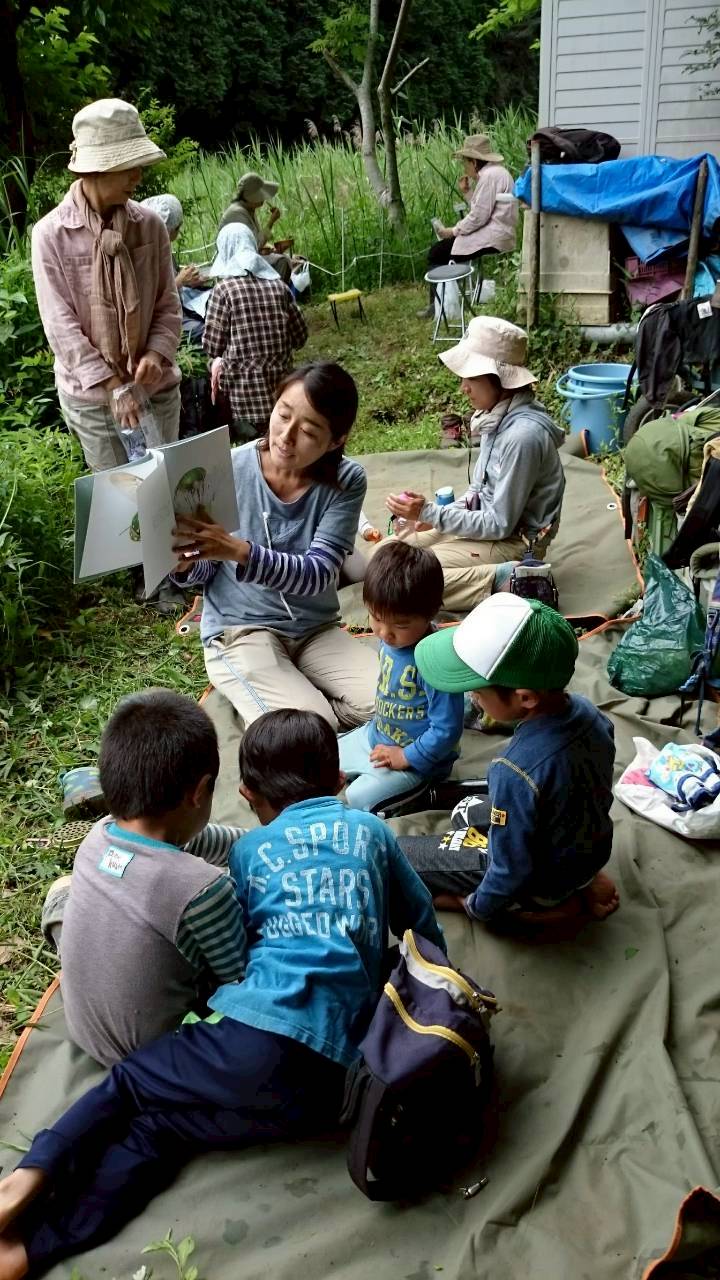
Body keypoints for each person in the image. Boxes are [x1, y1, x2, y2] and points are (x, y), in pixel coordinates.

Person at [0, 710, 444, 1277]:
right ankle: (27, 1250)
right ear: (340, 782)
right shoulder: (376, 832)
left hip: (254, 1043)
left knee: (131, 1086)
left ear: (244, 794)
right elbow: (421, 921)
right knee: (164, 1128)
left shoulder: (237, 856)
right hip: (331, 1088)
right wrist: (437, 985)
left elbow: (238, 969)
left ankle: (23, 1187)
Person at [43, 690, 246, 1067]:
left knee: (65, 893)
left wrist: (251, 844)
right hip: (158, 1059)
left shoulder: (98, 836)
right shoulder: (204, 890)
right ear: (200, 792)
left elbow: (196, 839)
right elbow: (241, 979)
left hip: (87, 1028)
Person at [171, 361, 378, 731]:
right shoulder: (226, 469)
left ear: (336, 440)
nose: (286, 435)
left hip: (314, 629)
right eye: (283, 414)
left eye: (309, 431)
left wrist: (238, 550)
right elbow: (207, 570)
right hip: (240, 631)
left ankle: (300, 719)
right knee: (310, 727)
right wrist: (185, 565)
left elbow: (318, 575)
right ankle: (302, 719)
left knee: (395, 703)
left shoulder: (346, 481)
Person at [401, 594, 620, 925]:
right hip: (585, 852)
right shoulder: (591, 715)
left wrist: (476, 906)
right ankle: (582, 881)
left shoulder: (514, 771)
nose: (470, 696)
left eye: (476, 689)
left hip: (538, 877)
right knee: (465, 810)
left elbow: (509, 867)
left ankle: (542, 907)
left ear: (526, 698)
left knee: (402, 855)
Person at [31, 99, 182, 473]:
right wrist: (114, 384)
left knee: (172, 491)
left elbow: (168, 303)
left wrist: (155, 354)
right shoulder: (51, 235)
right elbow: (60, 327)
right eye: (129, 167)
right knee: (124, 506)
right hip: (93, 399)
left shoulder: (149, 225)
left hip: (156, 387)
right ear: (98, 167)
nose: (138, 177)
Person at [384, 316, 565, 613]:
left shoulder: (522, 437)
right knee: (387, 554)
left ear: (500, 380)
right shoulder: (496, 416)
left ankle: (510, 580)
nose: (463, 388)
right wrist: (434, 515)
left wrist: (431, 513)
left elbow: (499, 523)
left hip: (513, 542)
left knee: (401, 578)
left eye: (471, 377)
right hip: (488, 527)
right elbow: (478, 493)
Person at [340, 542, 465, 812]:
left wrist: (407, 756)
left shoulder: (436, 661)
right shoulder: (391, 642)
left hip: (416, 760)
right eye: (376, 618)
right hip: (376, 736)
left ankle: (420, 792)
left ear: (430, 613)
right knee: (320, 760)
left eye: (401, 625)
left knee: (358, 798)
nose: (385, 633)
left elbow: (447, 730)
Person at [202, 224, 308, 441]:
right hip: (281, 396)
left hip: (242, 402)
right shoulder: (280, 288)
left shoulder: (223, 291)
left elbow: (212, 346)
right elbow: (300, 337)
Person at [418, 133, 517, 318]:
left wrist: (453, 231)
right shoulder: (498, 172)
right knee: (445, 248)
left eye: (465, 162)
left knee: (437, 252)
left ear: (474, 161)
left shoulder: (488, 177)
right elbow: (483, 208)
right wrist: (467, 192)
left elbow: (479, 216)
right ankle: (444, 301)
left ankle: (439, 306)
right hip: (501, 233)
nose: (465, 167)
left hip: (493, 236)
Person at [218, 170, 292, 282]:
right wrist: (271, 221)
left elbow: (255, 241)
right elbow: (255, 244)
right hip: (237, 263)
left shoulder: (249, 209)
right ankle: (274, 296)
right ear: (251, 197)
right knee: (282, 261)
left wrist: (269, 247)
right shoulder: (237, 212)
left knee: (291, 258)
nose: (263, 198)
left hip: (248, 257)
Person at [139, 193, 207, 289]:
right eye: (178, 227)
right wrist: (180, 281)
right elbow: (150, 297)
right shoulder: (143, 256)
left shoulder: (161, 246)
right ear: (169, 230)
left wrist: (189, 281)